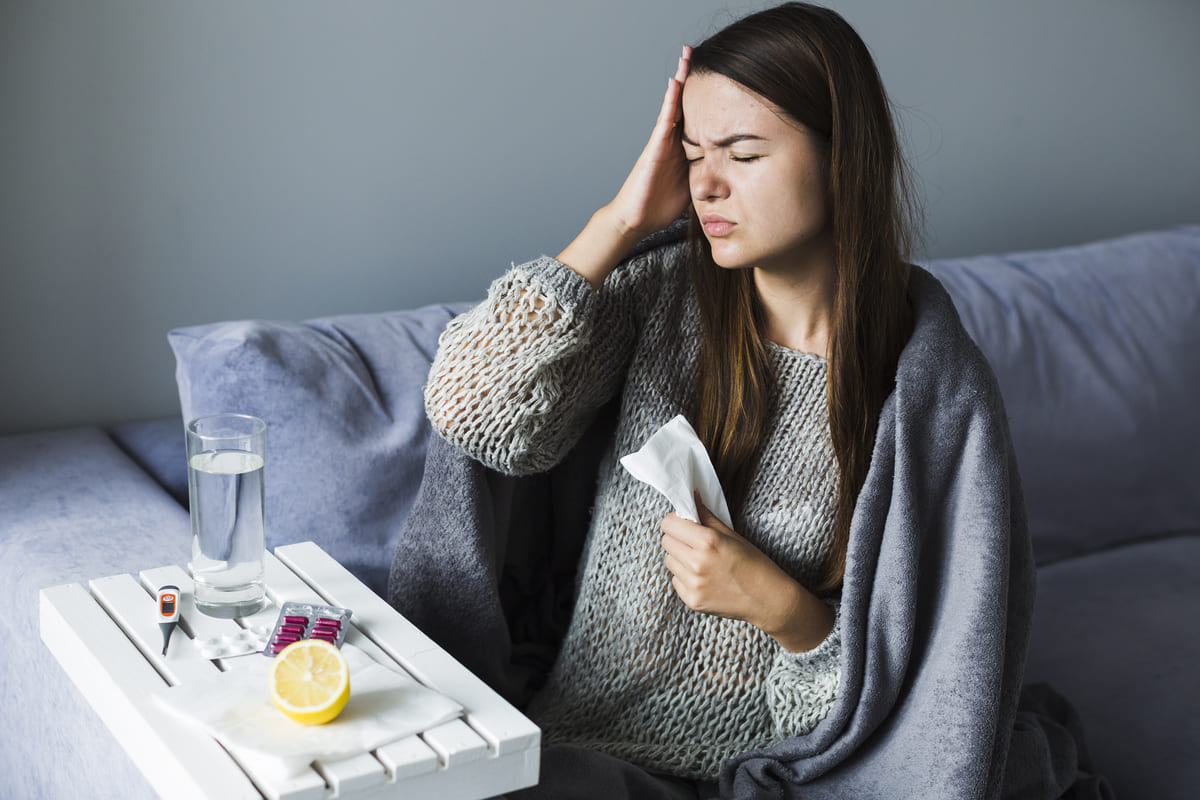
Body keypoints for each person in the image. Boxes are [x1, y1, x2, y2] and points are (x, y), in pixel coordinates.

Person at [402, 3, 1103, 798]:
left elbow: (896, 714)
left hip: (780, 773)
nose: (705, 183)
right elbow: (469, 409)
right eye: (692, 152)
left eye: (742, 152)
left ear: (844, 161)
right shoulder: (660, 299)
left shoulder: (925, 398)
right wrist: (622, 218)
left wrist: (783, 610)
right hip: (582, 746)